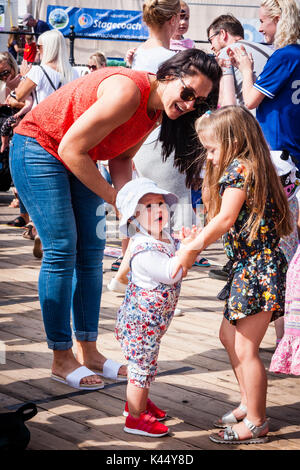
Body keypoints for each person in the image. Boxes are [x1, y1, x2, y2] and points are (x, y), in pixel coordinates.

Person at [9, 49, 221, 391]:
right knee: (63, 250)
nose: (189, 104)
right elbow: (69, 149)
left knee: (91, 256)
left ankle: (89, 352)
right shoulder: (128, 91)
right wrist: (115, 201)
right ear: (169, 75)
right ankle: (61, 358)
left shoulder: (154, 112)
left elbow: (121, 158)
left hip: (78, 156)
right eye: (187, 93)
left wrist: (133, 208)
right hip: (40, 148)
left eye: (198, 101)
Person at [172, 106, 292, 444]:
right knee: (230, 338)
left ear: (234, 141)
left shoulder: (240, 168)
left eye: (211, 149)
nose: (208, 158)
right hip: (250, 266)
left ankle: (256, 421)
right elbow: (226, 221)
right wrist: (197, 237)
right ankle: (247, 401)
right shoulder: (250, 166)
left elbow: (224, 220)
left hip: (257, 268)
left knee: (245, 348)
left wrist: (190, 249)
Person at [115, 178, 182, 437]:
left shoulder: (164, 237)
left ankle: (139, 402)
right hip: (140, 325)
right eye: (148, 206)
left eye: (161, 203)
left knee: (147, 366)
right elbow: (171, 273)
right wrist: (188, 251)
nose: (158, 210)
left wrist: (185, 245)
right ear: (134, 217)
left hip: (152, 323)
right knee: (140, 370)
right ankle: (134, 417)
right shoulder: (144, 248)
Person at [6, 29, 76, 240]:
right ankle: (44, 230)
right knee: (56, 186)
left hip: (37, 131)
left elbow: (16, 96)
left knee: (32, 184)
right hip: (62, 133)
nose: (37, 50)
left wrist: (24, 77)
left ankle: (38, 227)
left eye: (39, 47)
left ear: (47, 49)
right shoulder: (71, 73)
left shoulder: (38, 71)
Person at [228, 0, 300, 169]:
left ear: (278, 19)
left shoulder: (283, 56)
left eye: (262, 21)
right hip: (293, 147)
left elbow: (251, 100)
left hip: (279, 151)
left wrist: (246, 70)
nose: (259, 29)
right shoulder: (295, 53)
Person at [207, 14, 273, 110]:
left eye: (211, 40)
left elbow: (227, 103)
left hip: (248, 119)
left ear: (222, 34)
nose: (211, 47)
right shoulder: (270, 51)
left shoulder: (228, 52)